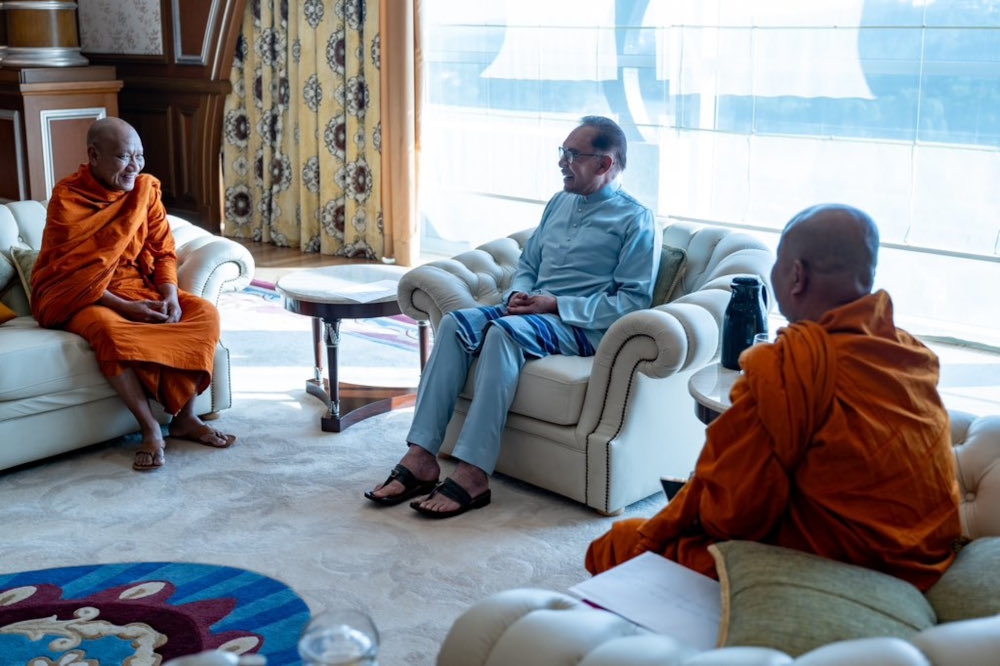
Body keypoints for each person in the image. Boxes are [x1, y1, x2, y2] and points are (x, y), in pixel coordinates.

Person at [586, 203, 962, 591]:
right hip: (925, 558)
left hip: (838, 568)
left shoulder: (785, 367)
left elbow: (730, 514)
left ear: (796, 276)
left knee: (616, 544)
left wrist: (688, 505)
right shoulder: (910, 355)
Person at [365, 115, 661, 518]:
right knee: (455, 324)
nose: (562, 162)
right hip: (532, 312)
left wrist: (553, 305)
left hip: (579, 325)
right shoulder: (559, 201)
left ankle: (472, 473)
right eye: (563, 152)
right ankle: (421, 458)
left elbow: (632, 302)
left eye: (573, 154)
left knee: (504, 333)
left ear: (605, 164)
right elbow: (529, 262)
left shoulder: (636, 219)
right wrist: (519, 292)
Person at [31, 117, 235, 472]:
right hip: (87, 297)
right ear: (94, 156)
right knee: (109, 331)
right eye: (124, 157)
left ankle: (185, 418)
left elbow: (163, 252)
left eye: (139, 157)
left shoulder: (145, 192)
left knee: (203, 314)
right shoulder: (68, 198)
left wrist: (170, 294)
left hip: (138, 285)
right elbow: (69, 276)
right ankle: (150, 427)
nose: (134, 167)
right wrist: (127, 307)